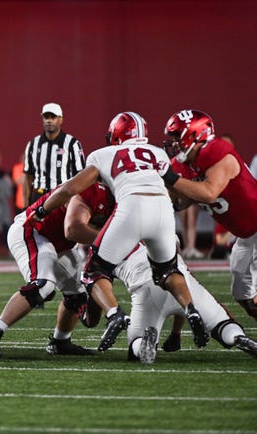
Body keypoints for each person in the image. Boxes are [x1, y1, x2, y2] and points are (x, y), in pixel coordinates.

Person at [32, 111, 209, 351]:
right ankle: (192, 310)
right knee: (168, 270)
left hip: (132, 208)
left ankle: (115, 314)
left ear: (116, 134)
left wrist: (43, 208)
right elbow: (176, 189)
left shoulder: (103, 154)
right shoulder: (157, 153)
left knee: (93, 272)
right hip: (164, 210)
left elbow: (69, 188)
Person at [64, 182, 257, 362]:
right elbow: (177, 273)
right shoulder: (159, 228)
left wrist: (105, 312)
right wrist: (176, 333)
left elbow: (96, 292)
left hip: (147, 289)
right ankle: (235, 336)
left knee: (135, 345)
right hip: (184, 285)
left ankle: (142, 345)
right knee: (220, 322)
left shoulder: (105, 249)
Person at [161, 109, 257, 320]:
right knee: (245, 297)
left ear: (195, 133)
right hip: (246, 234)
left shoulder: (217, 150)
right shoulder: (185, 165)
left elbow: (209, 192)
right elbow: (179, 200)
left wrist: (170, 178)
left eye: (178, 136)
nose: (174, 143)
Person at [0, 188, 93, 358]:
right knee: (42, 285)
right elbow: (73, 226)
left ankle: (60, 342)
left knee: (78, 296)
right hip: (33, 230)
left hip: (60, 243)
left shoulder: (121, 197)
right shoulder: (90, 189)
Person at [22, 102, 85, 206]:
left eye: (53, 117)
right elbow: (28, 176)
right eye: (46, 117)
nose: (49, 121)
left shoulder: (72, 143)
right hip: (39, 196)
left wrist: (75, 201)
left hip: (62, 197)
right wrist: (25, 204)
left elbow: (81, 175)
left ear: (61, 120)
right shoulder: (33, 144)